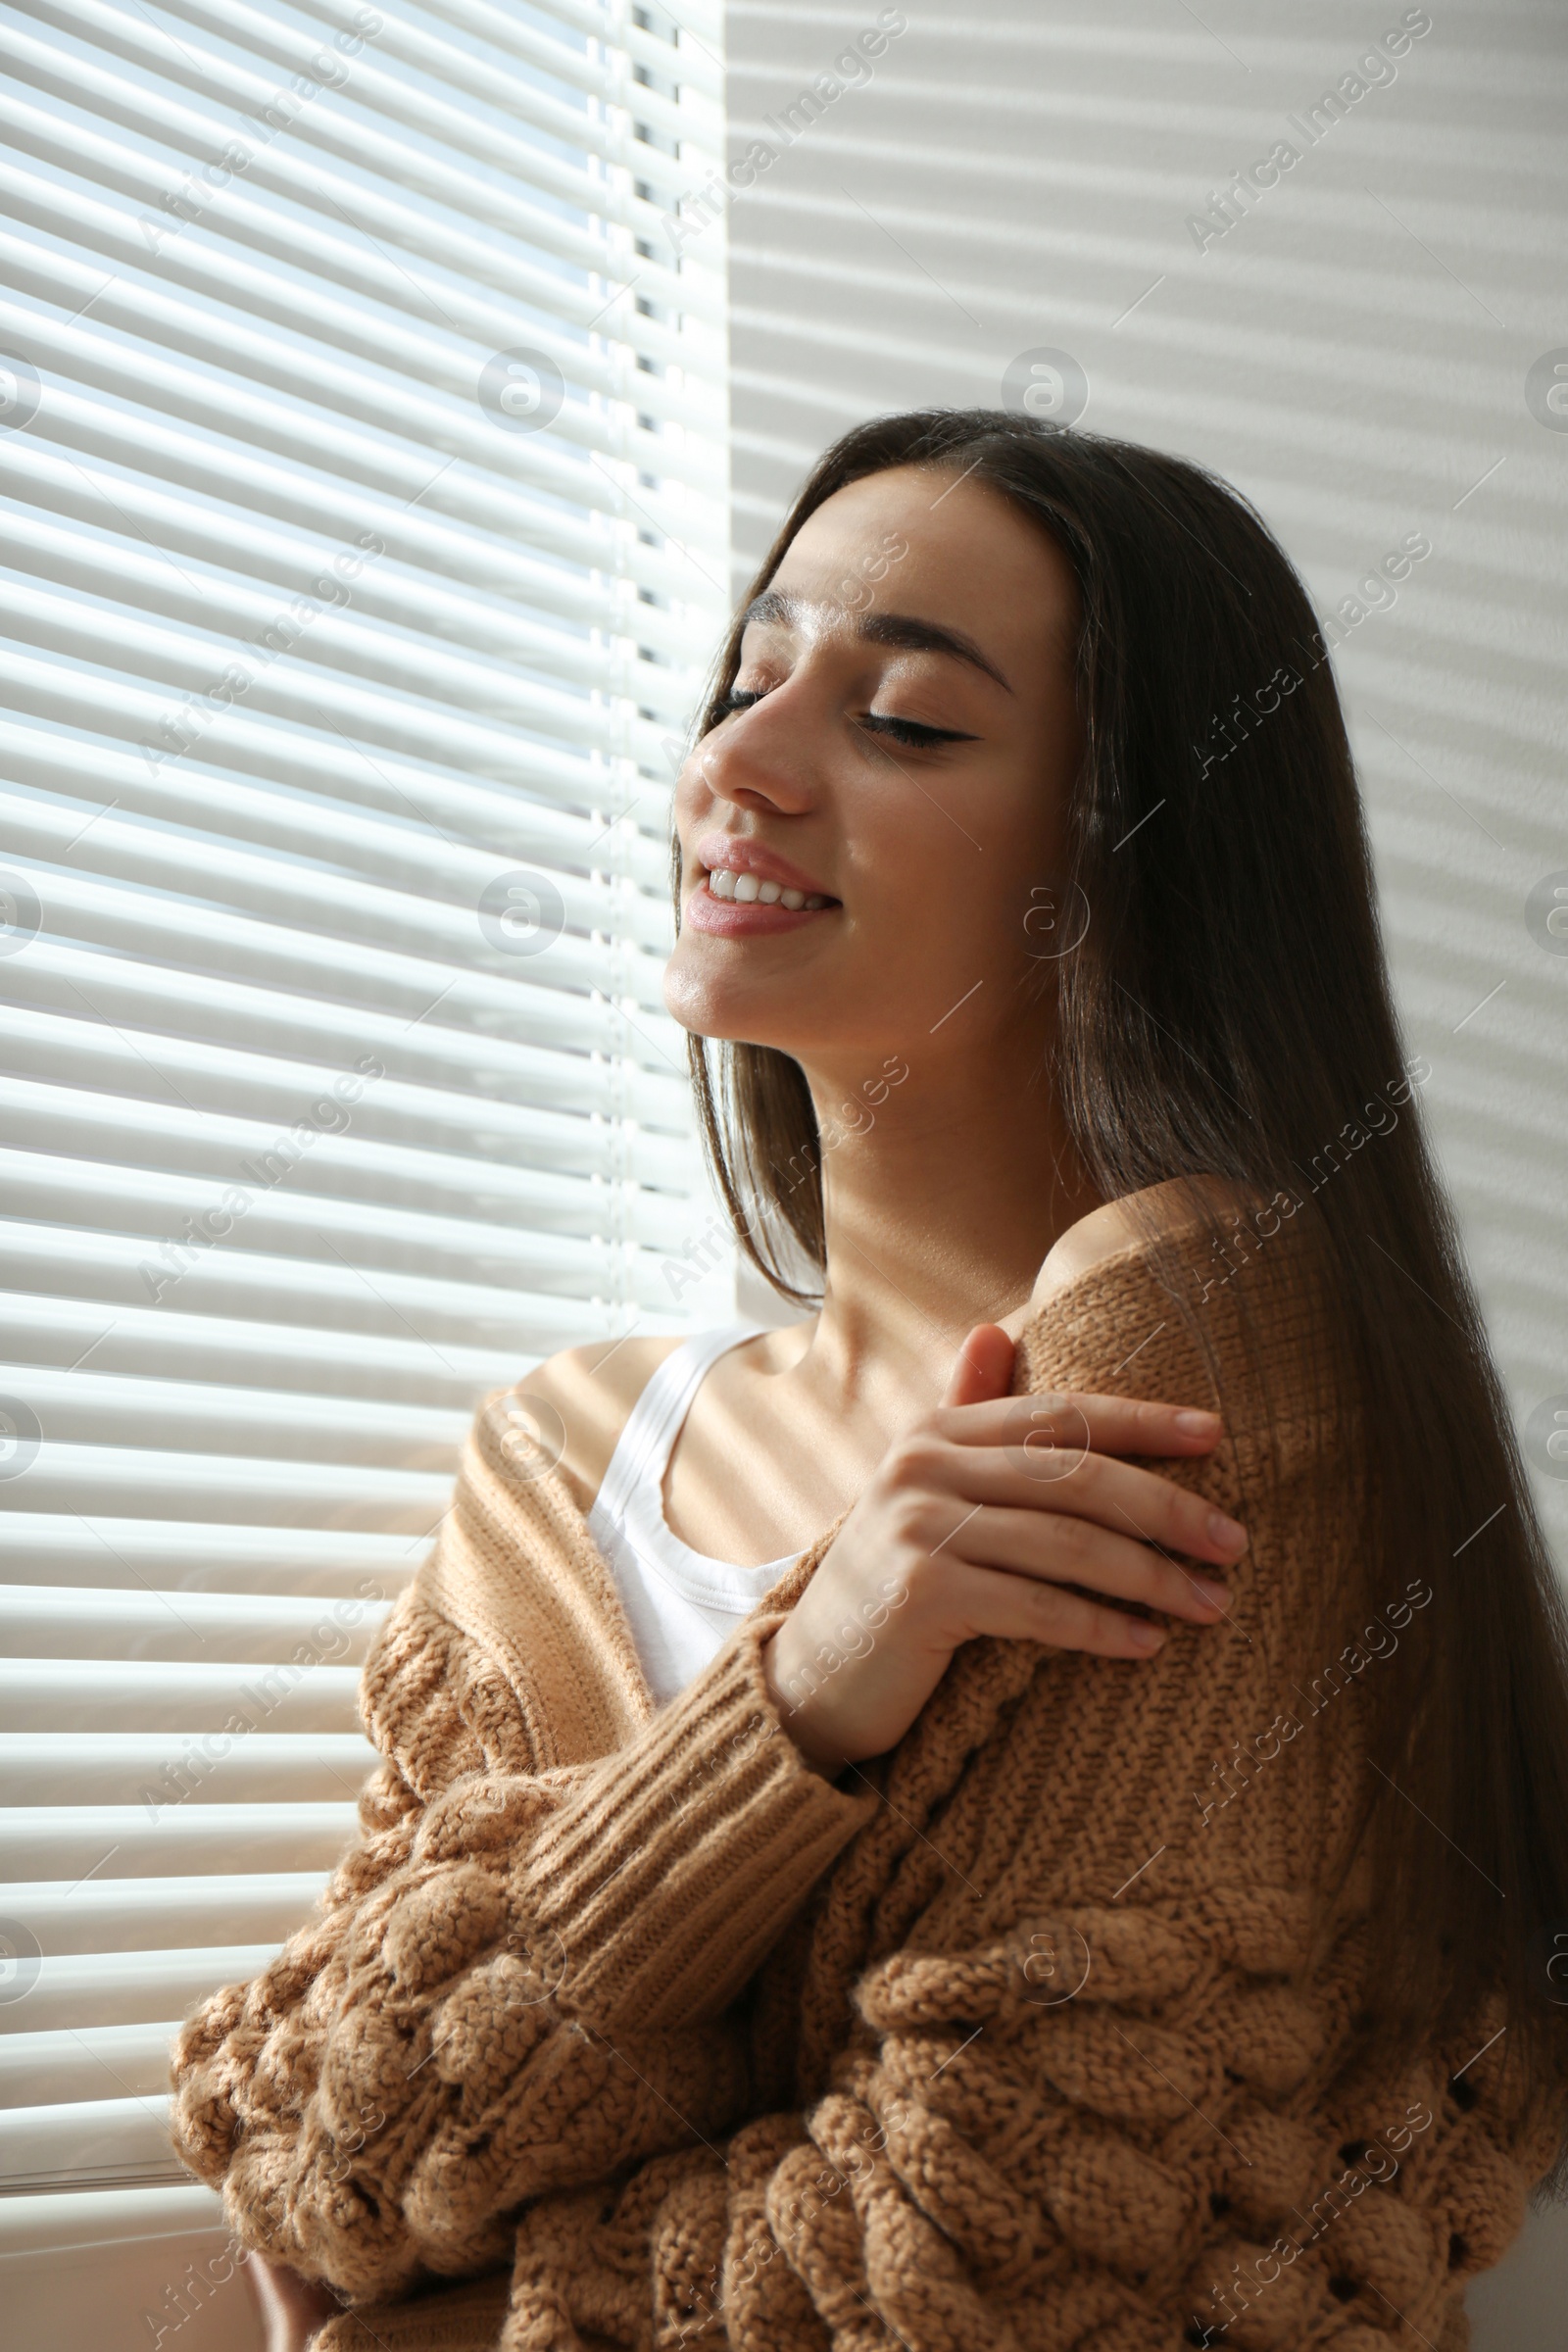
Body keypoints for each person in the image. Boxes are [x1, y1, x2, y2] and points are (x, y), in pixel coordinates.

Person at [173, 411, 1568, 2352]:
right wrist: (798, 1701)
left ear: (1122, 855)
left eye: (902, 721)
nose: (732, 767)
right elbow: (324, 2135)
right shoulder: (555, 1457)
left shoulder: (1201, 1354)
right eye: (744, 686)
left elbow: (995, 2252)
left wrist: (422, 2318)